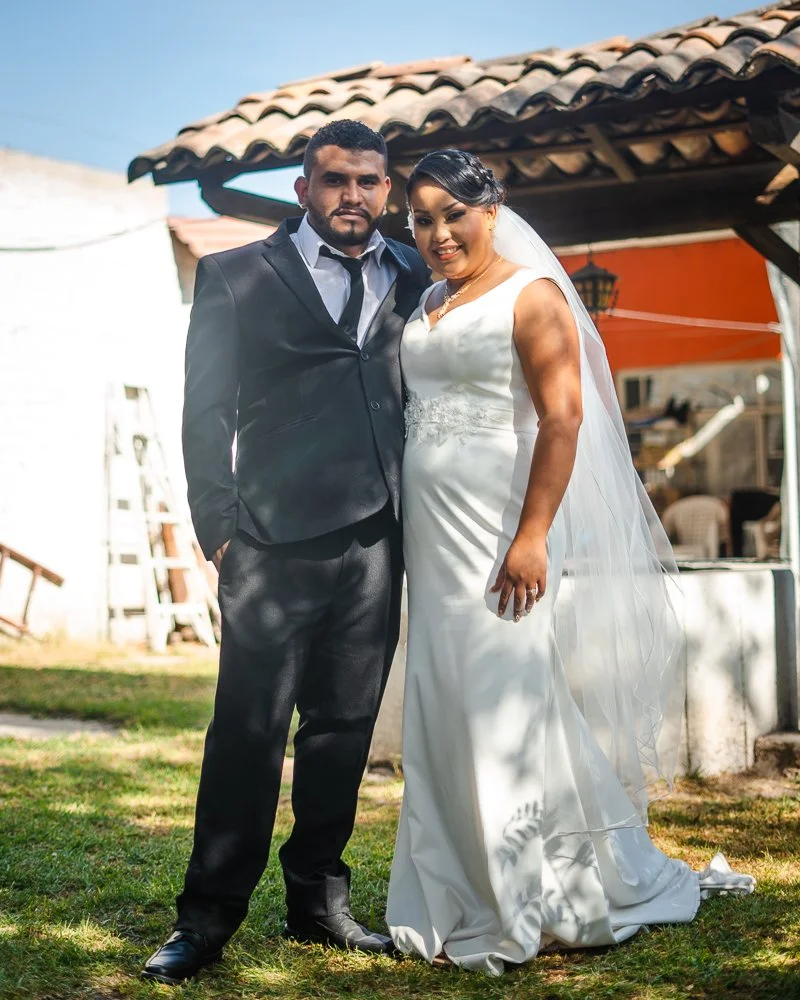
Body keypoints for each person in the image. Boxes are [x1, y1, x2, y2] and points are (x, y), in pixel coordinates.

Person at [386, 149, 754, 975]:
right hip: (433, 539)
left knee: (504, 701)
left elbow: (562, 419)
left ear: (492, 209)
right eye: (422, 218)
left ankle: (524, 894)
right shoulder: (431, 300)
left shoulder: (534, 295)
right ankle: (454, 890)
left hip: (497, 534)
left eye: (454, 214)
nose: (438, 232)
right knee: (445, 699)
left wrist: (531, 535)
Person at [142, 120, 429, 985]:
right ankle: (206, 916)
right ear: (304, 187)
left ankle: (318, 902)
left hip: (378, 537)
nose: (354, 196)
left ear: (388, 189)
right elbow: (206, 412)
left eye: (369, 181)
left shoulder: (412, 274)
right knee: (248, 732)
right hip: (268, 540)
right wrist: (220, 527)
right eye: (336, 180)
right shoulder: (236, 275)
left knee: (342, 731)